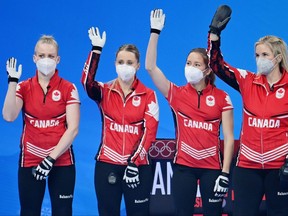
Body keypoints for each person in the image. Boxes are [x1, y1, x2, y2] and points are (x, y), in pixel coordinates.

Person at [145, 9, 234, 216]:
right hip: (183, 167)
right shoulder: (175, 93)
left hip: (212, 168)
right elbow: (150, 67)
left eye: (196, 64)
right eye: (188, 63)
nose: (190, 68)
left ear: (208, 70)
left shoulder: (223, 98)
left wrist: (225, 173)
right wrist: (154, 32)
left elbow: (229, 138)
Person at [207, 5, 288, 216]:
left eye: (264, 54)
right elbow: (216, 65)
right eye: (256, 54)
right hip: (247, 166)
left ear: (278, 58)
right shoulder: (247, 80)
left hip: (279, 169)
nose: (258, 59)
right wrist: (214, 34)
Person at [81, 26, 159, 216]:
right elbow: (86, 82)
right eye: (121, 61)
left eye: (129, 62)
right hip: (107, 164)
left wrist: (134, 162)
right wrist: (96, 51)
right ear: (115, 63)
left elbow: (150, 132)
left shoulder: (149, 95)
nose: (125, 65)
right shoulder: (104, 90)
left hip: (138, 167)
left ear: (138, 66)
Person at [2, 35, 80, 215]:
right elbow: (8, 116)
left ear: (58, 59)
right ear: (34, 58)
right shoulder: (24, 87)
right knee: (29, 211)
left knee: (63, 211)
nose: (46, 60)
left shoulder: (69, 88)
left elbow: (73, 128)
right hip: (30, 159)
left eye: (51, 56)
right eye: (42, 55)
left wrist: (50, 159)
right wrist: (12, 83)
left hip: (61, 160)